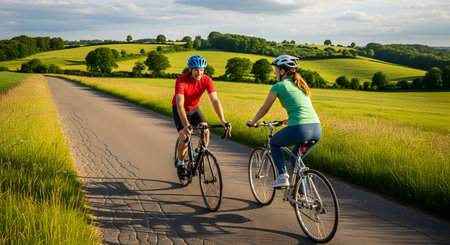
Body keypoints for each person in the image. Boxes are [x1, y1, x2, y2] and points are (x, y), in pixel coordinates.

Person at [247, 55, 321, 188]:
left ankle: (282, 177)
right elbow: (302, 110)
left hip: (299, 130)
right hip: (316, 129)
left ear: (282, 71)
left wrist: (253, 122)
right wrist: (286, 121)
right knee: (295, 159)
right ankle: (302, 197)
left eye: (275, 69)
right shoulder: (301, 86)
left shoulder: (279, 86)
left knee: (274, 143)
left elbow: (265, 108)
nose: (274, 72)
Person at [172, 55, 231, 178]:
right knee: (185, 136)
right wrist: (186, 125)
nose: (199, 73)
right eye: (196, 70)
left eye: (201, 70)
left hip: (194, 109)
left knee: (206, 132)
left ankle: (196, 157)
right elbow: (180, 104)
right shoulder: (181, 80)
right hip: (180, 109)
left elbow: (215, 100)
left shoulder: (207, 80)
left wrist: (222, 120)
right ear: (190, 69)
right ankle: (180, 162)